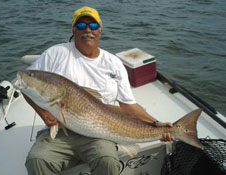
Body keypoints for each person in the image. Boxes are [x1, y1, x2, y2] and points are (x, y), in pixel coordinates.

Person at [24, 6, 175, 175]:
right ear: (74, 30)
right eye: (81, 26)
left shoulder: (113, 63)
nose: (88, 30)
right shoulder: (56, 53)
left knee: (108, 161)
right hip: (61, 131)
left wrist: (156, 124)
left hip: (101, 133)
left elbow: (128, 105)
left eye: (93, 26)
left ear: (100, 31)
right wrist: (43, 113)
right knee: (37, 159)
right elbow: (25, 85)